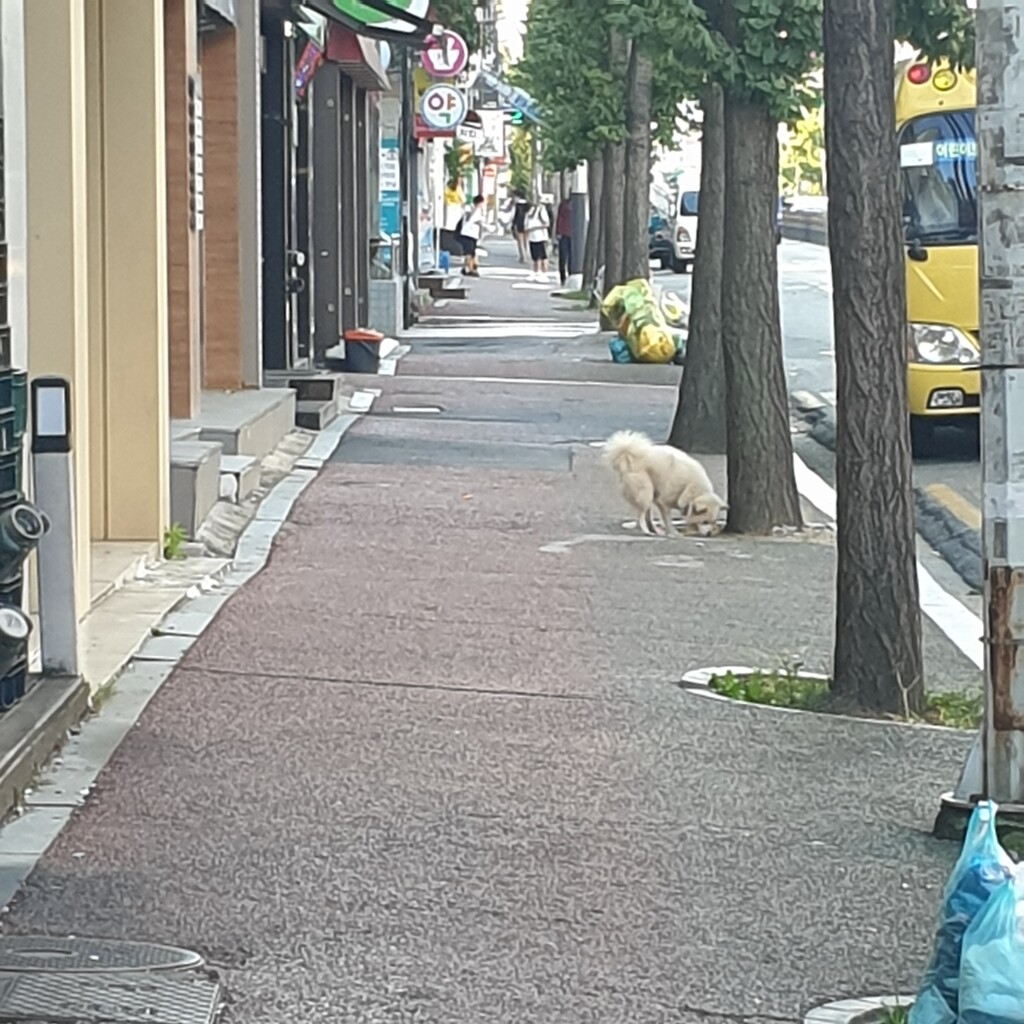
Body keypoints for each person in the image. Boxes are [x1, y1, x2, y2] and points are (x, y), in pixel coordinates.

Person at [524, 197, 552, 283]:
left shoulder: (541, 210)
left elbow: (547, 223)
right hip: (532, 237)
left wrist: (534, 228)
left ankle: (543, 273)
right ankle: (535, 272)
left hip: (540, 236)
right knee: (534, 256)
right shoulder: (530, 211)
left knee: (542, 256)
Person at [458, 195, 486, 277]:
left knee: (471, 252)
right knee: (469, 253)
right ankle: (470, 269)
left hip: (472, 235)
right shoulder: (471, 209)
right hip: (468, 234)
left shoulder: (477, 210)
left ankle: (466, 268)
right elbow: (470, 219)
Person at [555, 196, 573, 286]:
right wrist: (558, 232)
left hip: (574, 234)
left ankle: (571, 275)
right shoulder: (564, 204)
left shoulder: (580, 203)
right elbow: (559, 218)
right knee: (563, 256)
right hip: (564, 233)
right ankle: (563, 277)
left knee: (572, 257)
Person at [510, 189, 530, 263]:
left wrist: (513, 224)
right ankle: (525, 255)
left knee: (520, 242)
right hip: (527, 224)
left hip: (519, 224)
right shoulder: (528, 204)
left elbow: (515, 216)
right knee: (525, 241)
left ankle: (522, 256)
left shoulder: (517, 205)